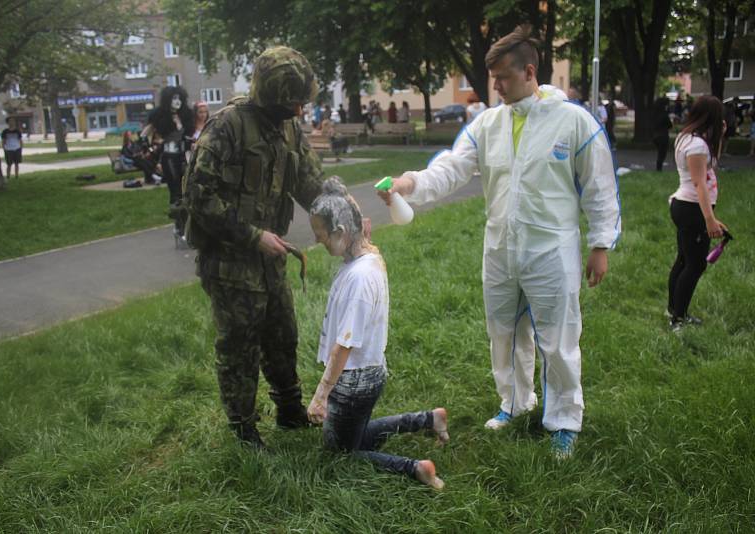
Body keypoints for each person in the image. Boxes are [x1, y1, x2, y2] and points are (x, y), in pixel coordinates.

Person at [377, 25, 620, 459]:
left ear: (529, 72)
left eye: (502, 78)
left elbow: (599, 185)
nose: (494, 86)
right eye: (493, 79)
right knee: (503, 333)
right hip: (501, 250)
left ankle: (564, 419)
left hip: (552, 251)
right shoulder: (488, 124)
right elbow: (450, 168)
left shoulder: (573, 122)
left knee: (557, 338)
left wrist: (600, 244)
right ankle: (514, 402)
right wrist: (408, 182)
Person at [183, 46, 326, 448]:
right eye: (293, 103)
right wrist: (252, 236)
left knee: (283, 335)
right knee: (240, 346)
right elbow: (199, 197)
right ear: (272, 98)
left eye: (303, 102)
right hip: (231, 262)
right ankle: (244, 429)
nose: (300, 111)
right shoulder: (226, 127)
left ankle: (290, 411)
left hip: (270, 259)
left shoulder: (290, 129)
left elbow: (312, 183)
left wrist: (343, 212)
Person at [307, 177, 448, 489]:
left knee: (340, 453)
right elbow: (357, 224)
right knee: (354, 435)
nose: (318, 241)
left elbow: (344, 345)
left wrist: (321, 397)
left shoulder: (359, 279)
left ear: (341, 232)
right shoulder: (365, 255)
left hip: (354, 379)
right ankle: (430, 419)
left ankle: (416, 469)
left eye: (321, 235)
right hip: (366, 375)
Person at [667, 96, 727, 333]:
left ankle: (674, 310)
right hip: (692, 209)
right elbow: (700, 184)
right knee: (695, 265)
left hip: (687, 206)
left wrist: (719, 137)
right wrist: (709, 219)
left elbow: (710, 167)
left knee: (684, 260)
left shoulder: (687, 138)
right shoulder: (697, 146)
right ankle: (678, 319)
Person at [143, 86, 195, 240]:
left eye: (179, 98)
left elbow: (187, 134)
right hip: (169, 156)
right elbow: (145, 133)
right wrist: (148, 147)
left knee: (186, 189)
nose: (177, 102)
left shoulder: (184, 115)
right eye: (174, 98)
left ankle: (186, 224)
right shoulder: (160, 117)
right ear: (167, 100)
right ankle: (179, 226)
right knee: (175, 191)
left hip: (182, 155)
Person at [652, 97, 672, 171]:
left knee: (660, 152)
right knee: (662, 153)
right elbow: (670, 125)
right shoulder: (664, 115)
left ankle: (658, 168)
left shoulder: (654, 114)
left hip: (655, 135)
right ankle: (659, 169)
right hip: (663, 135)